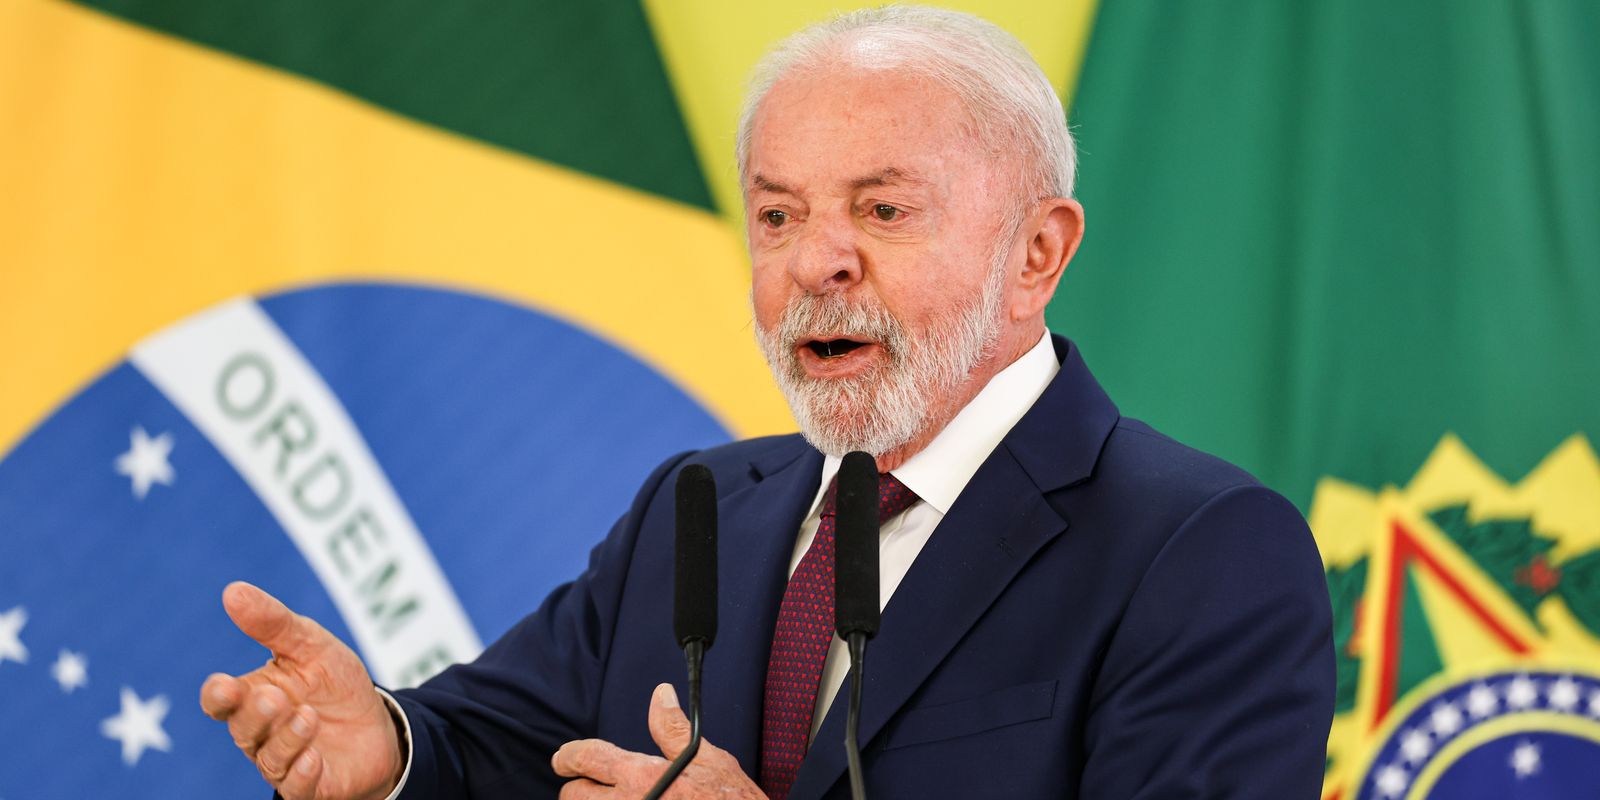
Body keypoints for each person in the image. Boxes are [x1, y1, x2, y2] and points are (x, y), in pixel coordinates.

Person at [200, 7, 1335, 799]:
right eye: (778, 216)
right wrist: (388, 747)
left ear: (1037, 252)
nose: (815, 263)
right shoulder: (698, 507)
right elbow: (500, 749)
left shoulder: (1202, 551)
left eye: (883, 211)